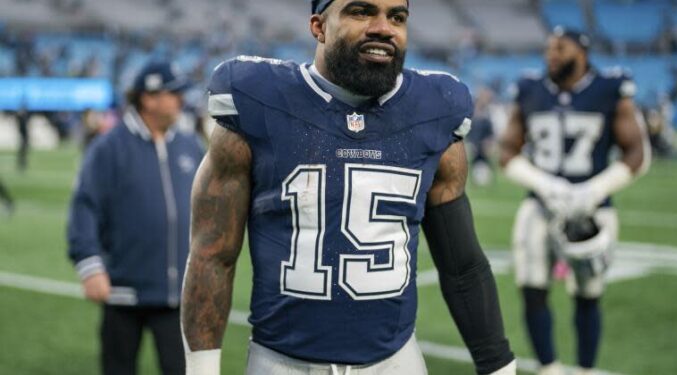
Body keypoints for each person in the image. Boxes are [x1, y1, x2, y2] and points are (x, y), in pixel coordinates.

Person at [181, 0, 516, 374]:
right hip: (282, 362)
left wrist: (498, 364)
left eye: (397, 17)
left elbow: (461, 264)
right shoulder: (258, 99)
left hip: (395, 361)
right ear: (318, 27)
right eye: (361, 11)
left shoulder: (435, 109)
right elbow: (212, 254)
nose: (383, 28)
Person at [499, 27, 650, 375]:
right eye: (549, 48)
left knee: (588, 292)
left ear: (581, 53)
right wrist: (546, 184)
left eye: (560, 48)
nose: (551, 54)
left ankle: (585, 369)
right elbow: (507, 151)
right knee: (531, 286)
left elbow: (638, 152)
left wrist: (594, 190)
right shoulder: (529, 88)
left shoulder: (610, 88)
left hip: (593, 209)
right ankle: (548, 367)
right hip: (540, 204)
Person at [66, 61, 204, 375]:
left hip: (177, 295)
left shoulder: (188, 145)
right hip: (123, 292)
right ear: (148, 97)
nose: (181, 100)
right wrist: (89, 264)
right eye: (173, 93)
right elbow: (84, 206)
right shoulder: (109, 148)